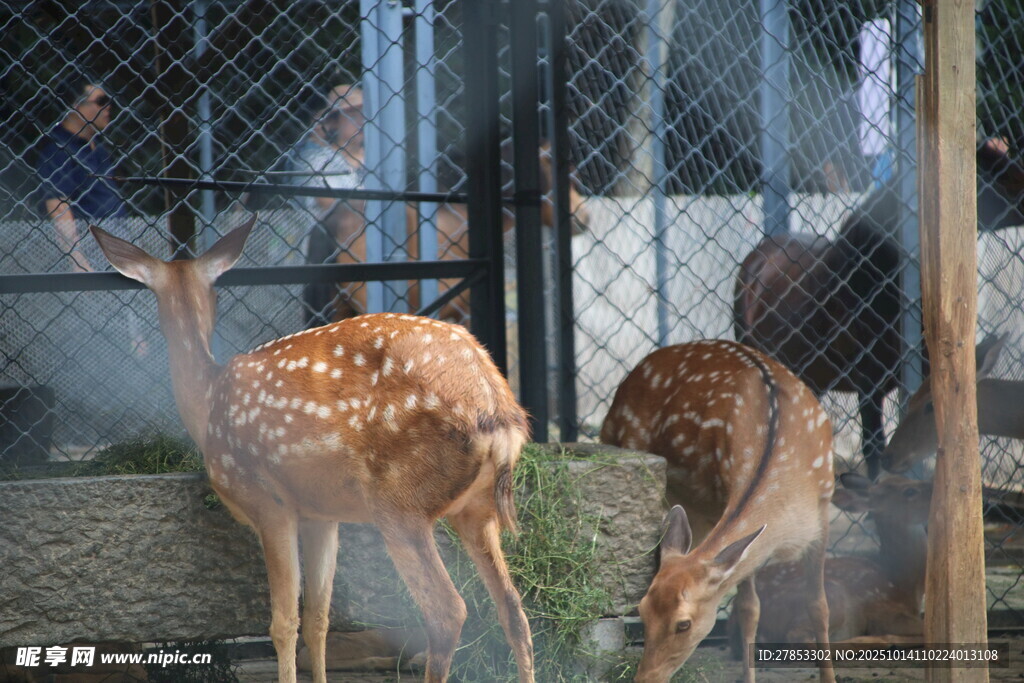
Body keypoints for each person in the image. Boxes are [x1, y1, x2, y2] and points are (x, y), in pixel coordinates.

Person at [290, 84, 367, 327]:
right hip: (325, 257)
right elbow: (330, 204)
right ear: (333, 122)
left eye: (365, 113)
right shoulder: (316, 159)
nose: (361, 121)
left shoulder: (383, 157)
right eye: (352, 115)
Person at [36, 77, 126, 272]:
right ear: (76, 106)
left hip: (114, 253)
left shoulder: (97, 148)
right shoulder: (60, 152)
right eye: (101, 101)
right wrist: (78, 261)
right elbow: (58, 207)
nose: (108, 107)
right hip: (91, 256)